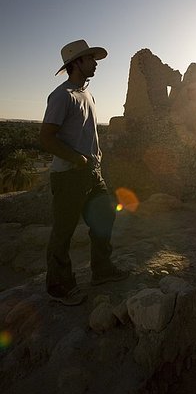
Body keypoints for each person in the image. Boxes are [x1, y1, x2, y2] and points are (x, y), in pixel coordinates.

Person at [40, 39, 129, 305]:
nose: (95, 63)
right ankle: (58, 286)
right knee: (63, 232)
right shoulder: (62, 96)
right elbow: (46, 138)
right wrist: (77, 159)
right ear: (76, 63)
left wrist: (91, 162)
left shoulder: (87, 94)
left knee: (104, 218)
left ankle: (102, 271)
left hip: (92, 173)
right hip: (69, 175)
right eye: (90, 59)